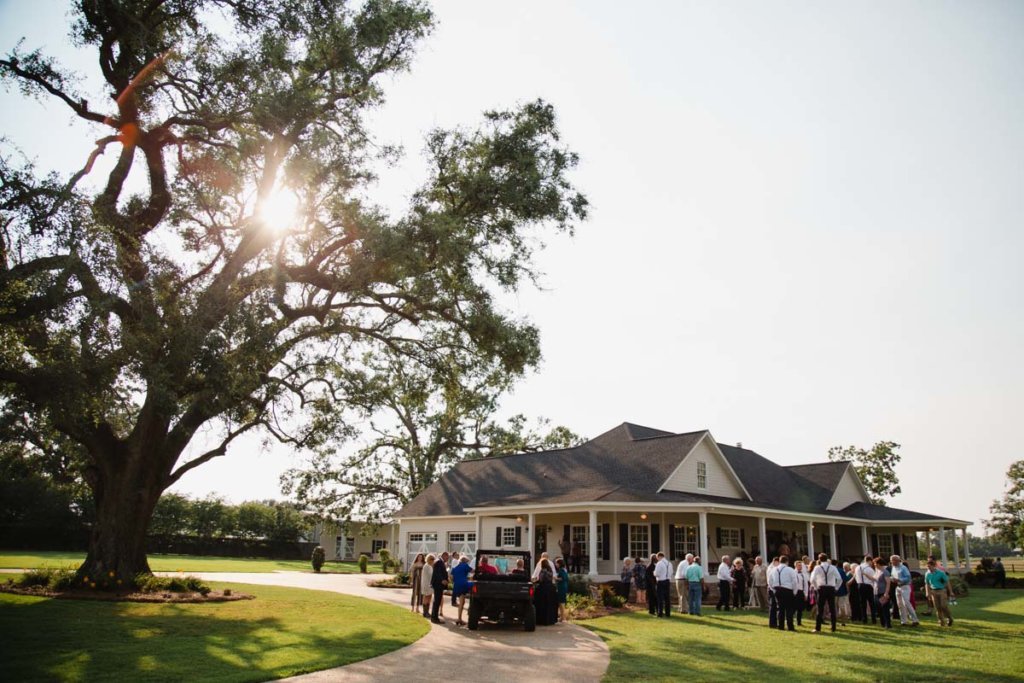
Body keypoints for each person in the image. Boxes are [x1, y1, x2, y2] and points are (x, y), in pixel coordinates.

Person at [811, 553, 841, 633]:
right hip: (831, 588)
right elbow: (839, 578)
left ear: (819, 559)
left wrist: (816, 587)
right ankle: (833, 627)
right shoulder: (833, 567)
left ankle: (818, 628)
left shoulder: (817, 567)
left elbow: (812, 579)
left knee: (820, 608)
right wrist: (836, 587)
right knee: (832, 608)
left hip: (821, 588)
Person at [890, 555, 920, 626]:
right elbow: (892, 575)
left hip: (905, 587)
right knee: (900, 604)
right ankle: (904, 621)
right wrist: (892, 579)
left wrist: (899, 580)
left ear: (897, 560)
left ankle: (915, 620)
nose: (891, 562)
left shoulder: (903, 568)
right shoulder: (893, 567)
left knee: (906, 603)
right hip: (898, 587)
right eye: (891, 561)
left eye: (893, 560)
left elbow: (908, 577)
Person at [925, 559, 953, 626]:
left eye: (930, 566)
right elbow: (927, 584)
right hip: (933, 591)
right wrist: (927, 592)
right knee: (937, 607)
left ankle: (949, 618)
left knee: (943, 606)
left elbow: (947, 582)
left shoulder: (941, 573)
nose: (928, 568)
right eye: (928, 567)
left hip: (942, 591)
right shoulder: (927, 574)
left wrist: (951, 591)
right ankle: (941, 622)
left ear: (934, 566)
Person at [533, 558, 558, 626]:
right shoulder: (550, 570)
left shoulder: (543, 570)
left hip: (543, 589)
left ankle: (542, 620)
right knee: (550, 605)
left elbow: (541, 579)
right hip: (551, 588)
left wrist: (534, 582)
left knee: (542, 604)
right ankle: (550, 620)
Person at [776, 556, 797, 631]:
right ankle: (790, 626)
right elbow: (794, 581)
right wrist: (795, 591)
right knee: (789, 609)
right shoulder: (790, 569)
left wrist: (773, 589)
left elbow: (770, 581)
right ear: (787, 561)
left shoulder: (774, 569)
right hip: (787, 590)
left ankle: (780, 626)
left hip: (777, 589)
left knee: (780, 609)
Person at [451, 555, 473, 626]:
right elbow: (473, 571)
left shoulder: (455, 568)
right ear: (465, 561)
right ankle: (469, 610)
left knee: (461, 602)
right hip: (464, 584)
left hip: (456, 585)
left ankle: (459, 618)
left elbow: (451, 577)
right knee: (474, 585)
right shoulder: (465, 565)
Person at [857, 554, 878, 624]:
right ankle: (873, 619)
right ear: (869, 561)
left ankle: (864, 619)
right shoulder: (869, 569)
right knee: (871, 603)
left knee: (862, 603)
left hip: (860, 585)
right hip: (868, 586)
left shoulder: (857, 568)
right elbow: (875, 578)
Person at [874, 557, 893, 629]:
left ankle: (888, 624)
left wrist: (886, 593)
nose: (874, 565)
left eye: (875, 563)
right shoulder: (877, 571)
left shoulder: (885, 572)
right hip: (877, 592)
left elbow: (888, 583)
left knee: (885, 609)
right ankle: (882, 623)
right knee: (879, 609)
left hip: (883, 592)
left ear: (879, 564)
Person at [654, 552, 672, 617]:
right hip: (667, 581)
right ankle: (668, 613)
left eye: (657, 558)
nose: (657, 559)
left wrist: (654, 573)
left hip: (661, 581)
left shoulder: (659, 563)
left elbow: (657, 573)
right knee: (667, 598)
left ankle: (660, 613)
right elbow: (671, 572)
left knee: (660, 598)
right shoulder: (669, 563)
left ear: (659, 557)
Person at [767, 557, 782, 628]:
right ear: (775, 562)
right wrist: (773, 589)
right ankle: (772, 623)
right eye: (778, 562)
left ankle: (774, 623)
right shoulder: (772, 569)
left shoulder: (773, 568)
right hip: (772, 588)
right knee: (773, 606)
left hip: (773, 588)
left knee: (774, 606)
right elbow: (770, 580)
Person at [793, 559, 808, 626]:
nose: (800, 566)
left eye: (801, 565)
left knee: (800, 608)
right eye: (799, 565)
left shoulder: (803, 574)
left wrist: (805, 594)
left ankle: (799, 622)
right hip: (795, 592)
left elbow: (805, 585)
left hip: (801, 592)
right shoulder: (793, 573)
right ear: (795, 566)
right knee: (793, 607)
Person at [555, 558, 570, 622]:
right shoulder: (564, 570)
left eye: (557, 563)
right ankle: (561, 617)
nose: (556, 564)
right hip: (563, 587)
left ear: (559, 563)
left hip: (561, 587)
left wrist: (555, 578)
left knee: (562, 603)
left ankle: (563, 618)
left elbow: (562, 578)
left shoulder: (561, 570)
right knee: (561, 602)